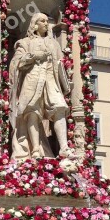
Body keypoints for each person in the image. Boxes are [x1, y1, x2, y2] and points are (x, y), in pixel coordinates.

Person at [10, 12, 71, 159]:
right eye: (42, 21)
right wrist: (33, 56)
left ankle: (64, 147)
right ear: (34, 25)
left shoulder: (54, 43)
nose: (46, 23)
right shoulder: (25, 43)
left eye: (46, 21)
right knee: (32, 111)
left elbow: (61, 63)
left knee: (59, 108)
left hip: (51, 80)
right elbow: (16, 63)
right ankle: (36, 149)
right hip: (33, 79)